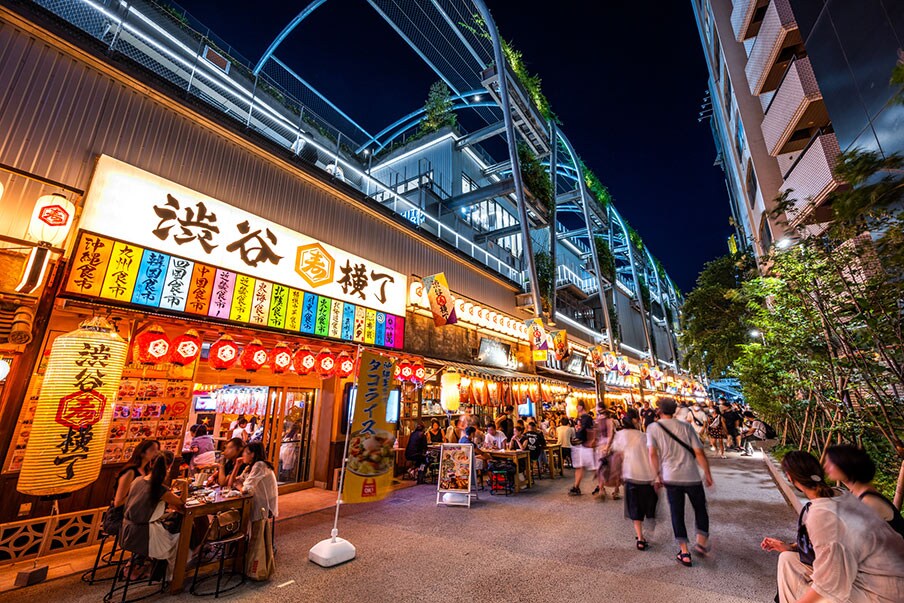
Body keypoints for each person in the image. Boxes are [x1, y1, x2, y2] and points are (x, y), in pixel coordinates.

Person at [762, 451, 904, 603]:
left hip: (880, 588)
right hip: (863, 573)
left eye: (833, 464)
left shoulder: (862, 503)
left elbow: (831, 578)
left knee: (811, 589)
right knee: (788, 560)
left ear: (790, 477)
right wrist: (790, 547)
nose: (828, 467)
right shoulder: (843, 495)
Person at [647, 397, 713, 567]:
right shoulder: (686, 426)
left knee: (677, 513)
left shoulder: (653, 428)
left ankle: (684, 552)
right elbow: (699, 452)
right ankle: (701, 542)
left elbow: (652, 454)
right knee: (700, 509)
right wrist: (707, 472)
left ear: (659, 411)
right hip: (691, 476)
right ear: (675, 410)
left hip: (671, 477)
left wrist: (656, 475)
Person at [120, 451, 184, 581]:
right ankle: (167, 576)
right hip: (143, 535)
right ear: (169, 467)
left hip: (125, 531)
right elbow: (181, 503)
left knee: (171, 523)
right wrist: (185, 485)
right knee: (180, 539)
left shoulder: (137, 480)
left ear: (150, 464)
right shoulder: (159, 489)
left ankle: (138, 565)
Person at [823, 444, 904, 539]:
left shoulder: (868, 501)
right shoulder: (858, 494)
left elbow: (855, 538)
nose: (825, 467)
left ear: (845, 464)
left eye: (830, 463)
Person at [610, 411, 657, 550]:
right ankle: (649, 525)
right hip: (647, 476)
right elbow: (653, 454)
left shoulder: (620, 436)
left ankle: (640, 538)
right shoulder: (645, 436)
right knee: (649, 505)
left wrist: (617, 473)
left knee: (634, 507)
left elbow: (617, 455)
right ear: (636, 420)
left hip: (630, 475)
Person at [104, 439, 160, 537]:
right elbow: (118, 502)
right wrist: (139, 494)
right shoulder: (130, 472)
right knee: (153, 530)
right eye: (153, 450)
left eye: (157, 450)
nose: (156, 453)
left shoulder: (146, 471)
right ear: (142, 453)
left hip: (135, 514)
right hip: (118, 517)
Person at [236, 442, 279, 523]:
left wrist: (239, 486)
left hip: (263, 505)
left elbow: (246, 490)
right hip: (257, 501)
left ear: (252, 454)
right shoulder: (250, 467)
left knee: (234, 512)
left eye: (245, 452)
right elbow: (237, 480)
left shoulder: (259, 465)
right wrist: (236, 466)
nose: (242, 454)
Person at [569, 402, 597, 496]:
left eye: (578, 405)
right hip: (578, 444)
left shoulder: (587, 418)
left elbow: (592, 430)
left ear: (582, 406)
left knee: (593, 468)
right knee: (579, 467)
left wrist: (591, 441)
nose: (577, 407)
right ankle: (576, 487)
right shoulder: (578, 418)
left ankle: (600, 486)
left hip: (586, 445)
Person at [594, 408, 622, 500]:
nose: (600, 415)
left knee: (613, 468)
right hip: (603, 446)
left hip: (610, 446)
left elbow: (611, 434)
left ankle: (615, 490)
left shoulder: (609, 421)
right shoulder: (600, 421)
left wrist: (607, 446)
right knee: (602, 468)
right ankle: (602, 489)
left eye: (601, 413)